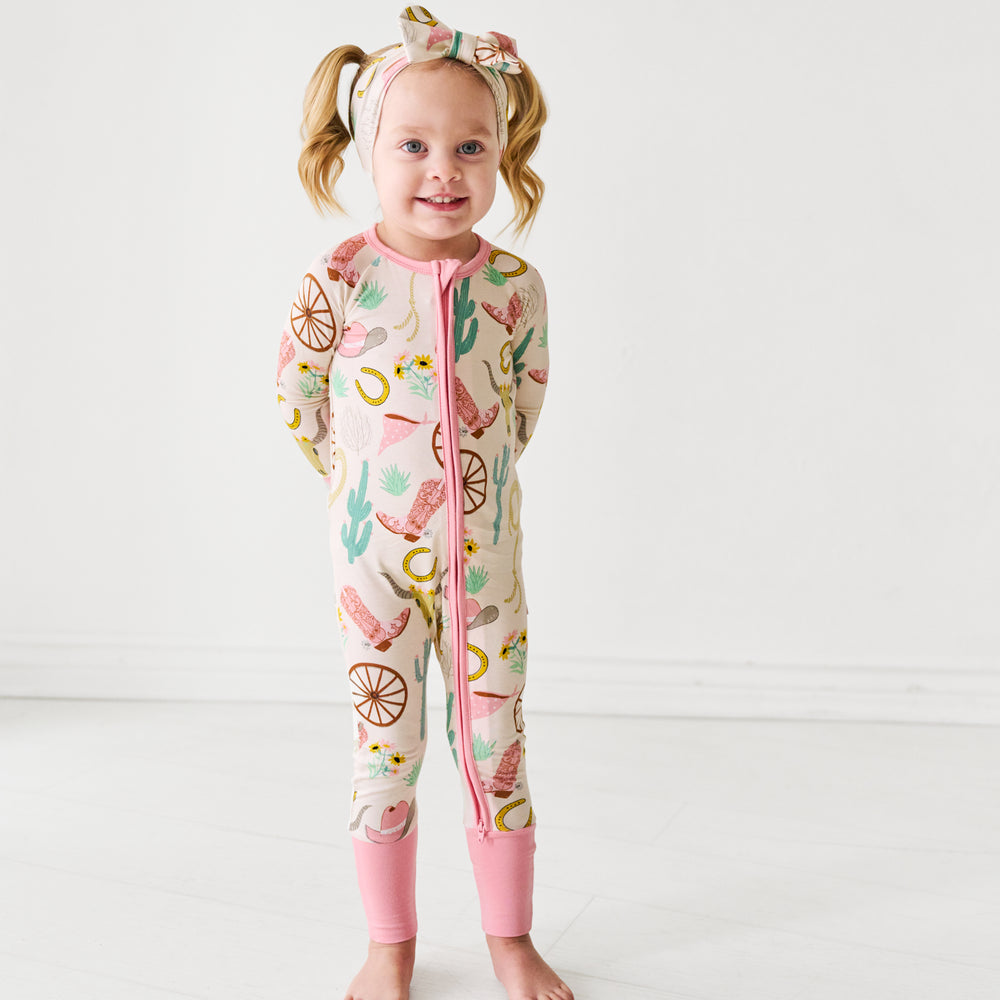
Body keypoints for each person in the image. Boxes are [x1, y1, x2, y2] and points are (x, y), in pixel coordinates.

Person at [276, 7, 572, 1000]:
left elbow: (522, 405)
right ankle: (389, 944)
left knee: (497, 749)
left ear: (501, 158)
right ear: (368, 152)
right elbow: (298, 399)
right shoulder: (338, 278)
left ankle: (510, 938)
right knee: (383, 753)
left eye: (469, 147)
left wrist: (471, 502)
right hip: (373, 569)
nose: (443, 168)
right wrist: (357, 484)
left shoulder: (515, 286)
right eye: (414, 145)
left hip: (486, 570)